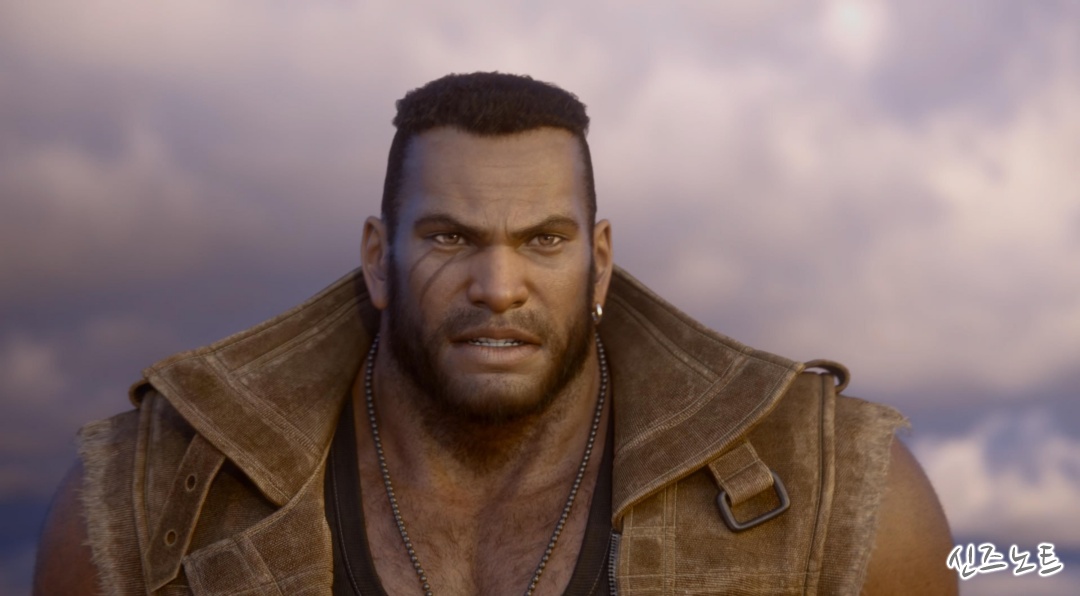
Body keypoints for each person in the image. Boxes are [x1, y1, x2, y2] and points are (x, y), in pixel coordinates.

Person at [34, 72, 957, 595]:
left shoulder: (838, 496)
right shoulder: (139, 500)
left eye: (544, 241)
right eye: (449, 239)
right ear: (377, 259)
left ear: (599, 261)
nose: (499, 287)